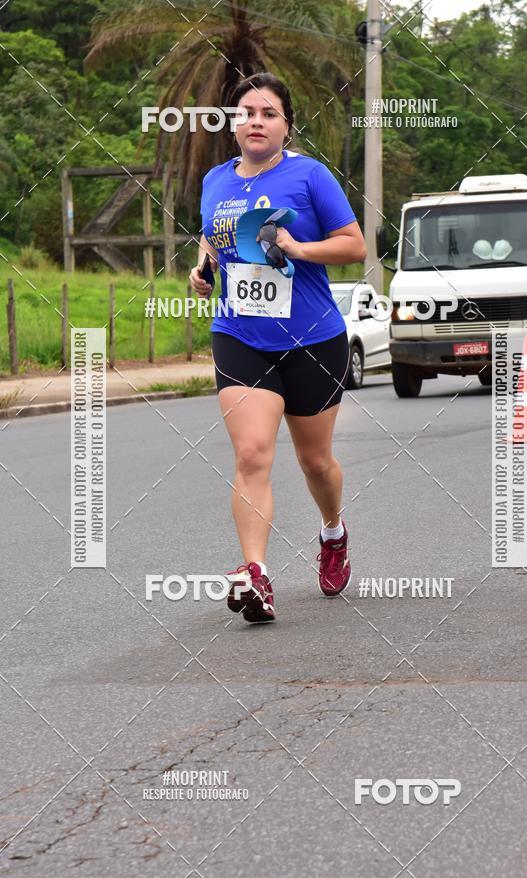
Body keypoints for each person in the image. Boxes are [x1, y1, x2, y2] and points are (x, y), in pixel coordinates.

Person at [189, 71, 367, 624]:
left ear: (286, 125)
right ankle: (255, 576)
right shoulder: (215, 179)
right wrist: (201, 270)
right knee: (251, 455)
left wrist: (298, 246)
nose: (256, 121)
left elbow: (355, 246)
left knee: (315, 462)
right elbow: (213, 237)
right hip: (240, 334)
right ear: (232, 124)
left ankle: (332, 532)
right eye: (247, 113)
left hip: (313, 339)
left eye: (268, 113)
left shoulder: (310, 176)